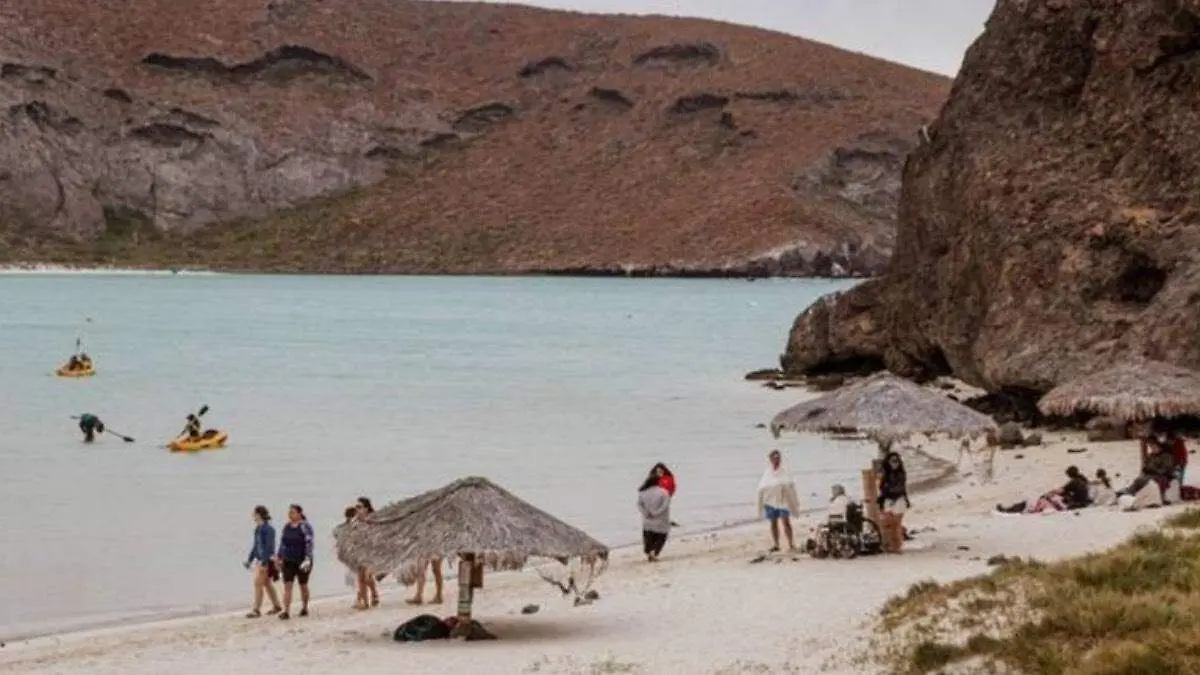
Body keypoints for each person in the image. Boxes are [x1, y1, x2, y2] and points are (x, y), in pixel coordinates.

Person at [274, 504, 314, 619]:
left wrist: (307, 558)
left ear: (299, 513)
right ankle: (286, 611)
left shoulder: (305, 526)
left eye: (292, 512)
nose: (290, 514)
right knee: (287, 585)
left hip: (302, 560)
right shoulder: (287, 526)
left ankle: (305, 608)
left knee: (303, 585)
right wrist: (278, 557)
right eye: (289, 512)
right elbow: (283, 543)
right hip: (288, 560)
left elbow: (309, 543)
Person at [996, 466, 1092, 514]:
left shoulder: (1074, 482)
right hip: (1077, 503)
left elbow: (1061, 490)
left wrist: (1048, 493)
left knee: (1031, 503)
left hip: (1071, 504)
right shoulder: (1083, 480)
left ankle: (1008, 510)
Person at [756, 449, 800, 552]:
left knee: (786, 521)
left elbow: (790, 484)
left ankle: (791, 544)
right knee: (773, 522)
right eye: (775, 458)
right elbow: (761, 487)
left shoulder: (784, 471)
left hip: (783, 500)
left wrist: (793, 501)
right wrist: (761, 503)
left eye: (778, 458)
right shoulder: (767, 473)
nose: (777, 460)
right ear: (771, 459)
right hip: (770, 501)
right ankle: (776, 544)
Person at [244, 505, 282, 618]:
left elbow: (269, 548)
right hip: (260, 560)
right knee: (266, 583)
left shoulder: (269, 529)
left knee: (258, 583)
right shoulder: (257, 529)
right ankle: (277, 606)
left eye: (254, 514)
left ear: (259, 515)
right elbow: (255, 546)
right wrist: (249, 560)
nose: (253, 516)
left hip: (267, 561)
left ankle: (256, 610)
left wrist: (264, 562)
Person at [877, 451, 910, 553]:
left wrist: (889, 492)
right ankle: (891, 545)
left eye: (897, 461)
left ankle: (897, 546)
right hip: (888, 499)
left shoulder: (901, 474)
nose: (895, 463)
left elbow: (899, 488)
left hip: (898, 499)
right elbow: (881, 487)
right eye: (893, 461)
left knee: (896, 523)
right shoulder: (885, 474)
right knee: (888, 524)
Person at [637, 472, 672, 562]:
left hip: (648, 520)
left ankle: (649, 551)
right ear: (658, 482)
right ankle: (654, 553)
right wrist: (657, 513)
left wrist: (646, 513)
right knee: (661, 537)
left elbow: (639, 505)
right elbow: (665, 505)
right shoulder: (664, 492)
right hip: (661, 520)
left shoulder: (642, 492)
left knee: (648, 537)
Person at [353, 497, 381, 608]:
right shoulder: (355, 521)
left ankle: (373, 593)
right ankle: (365, 603)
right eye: (356, 507)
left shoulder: (373, 520)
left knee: (366, 577)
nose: (357, 509)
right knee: (361, 578)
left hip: (371, 553)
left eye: (359, 507)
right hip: (359, 552)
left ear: (366, 508)